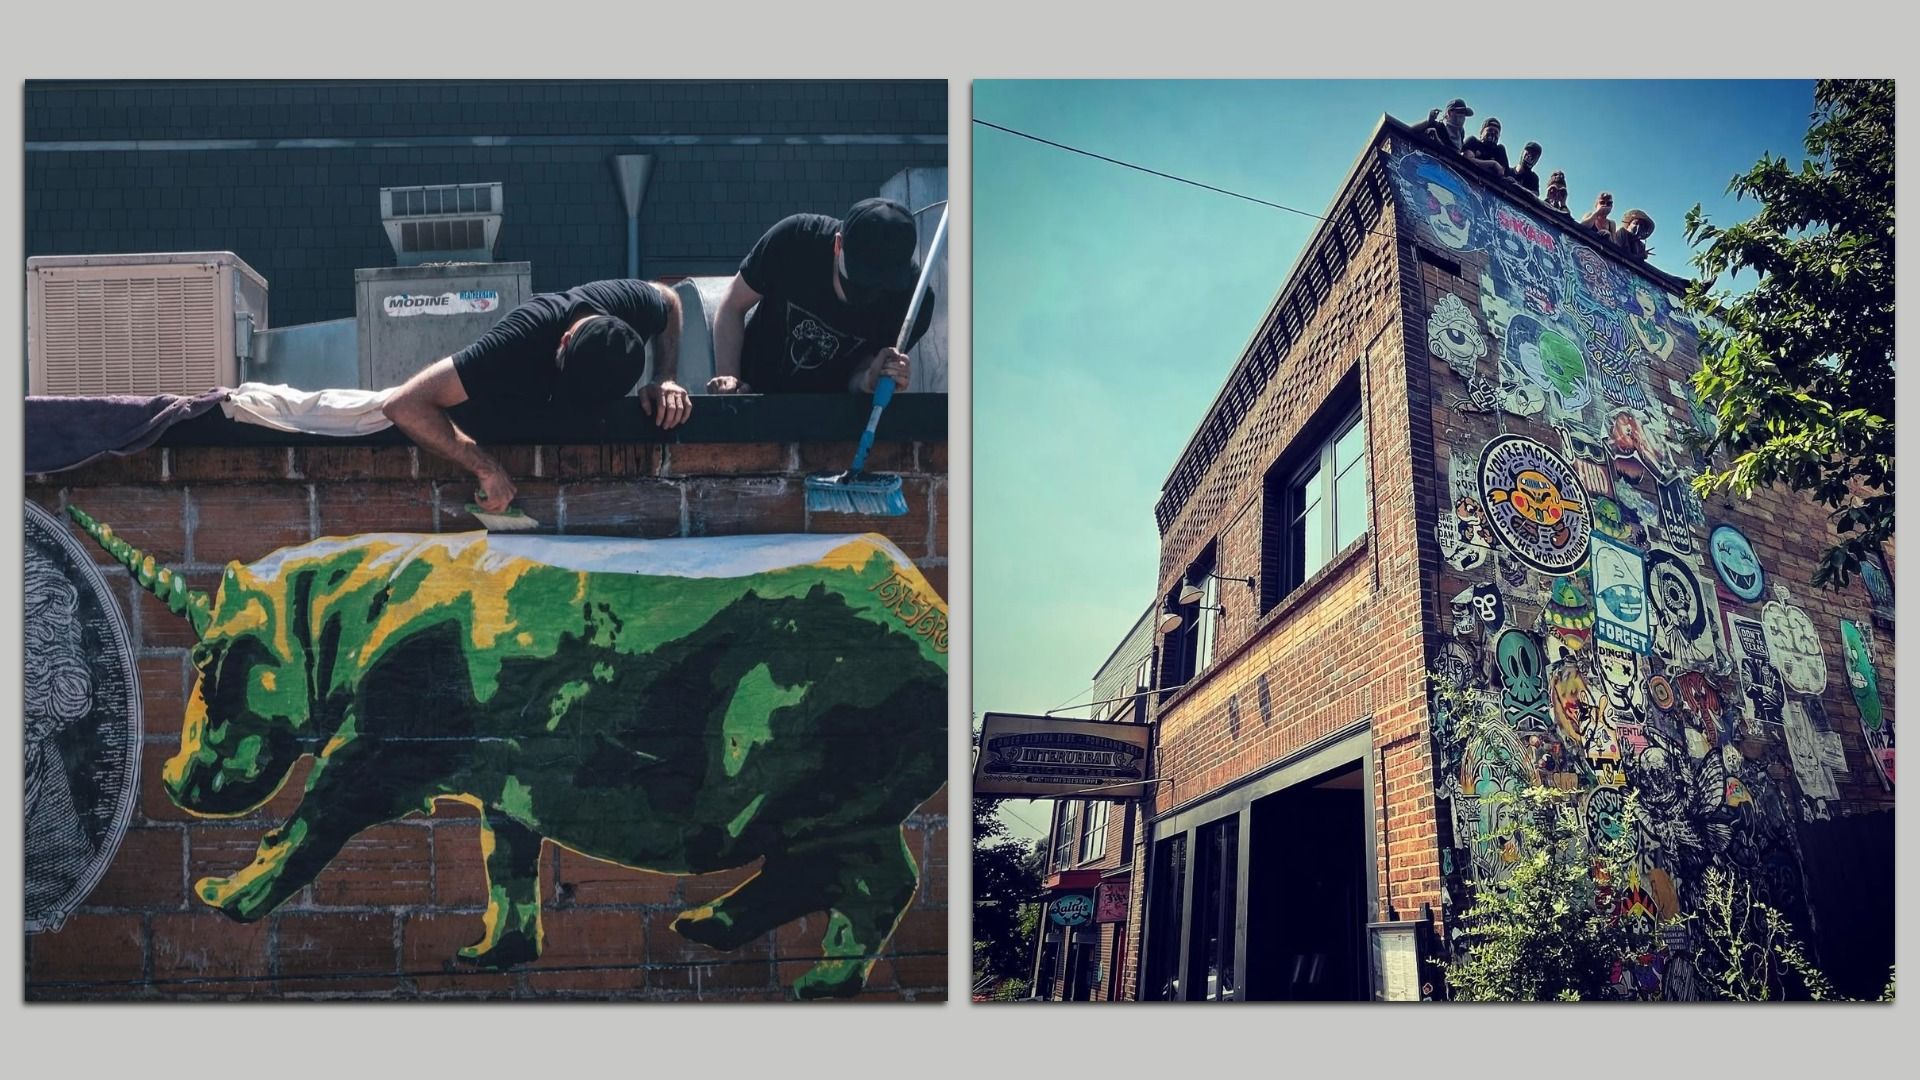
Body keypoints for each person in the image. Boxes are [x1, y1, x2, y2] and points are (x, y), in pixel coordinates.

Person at [382, 279, 686, 514]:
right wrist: (484, 467)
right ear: (564, 341)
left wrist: (665, 377)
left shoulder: (633, 303)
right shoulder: (518, 338)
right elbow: (404, 405)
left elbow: (670, 301)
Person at [709, 197, 933, 397]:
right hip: (756, 391)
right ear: (838, 244)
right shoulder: (795, 240)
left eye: (883, 284)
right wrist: (731, 383)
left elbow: (858, 377)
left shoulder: (914, 302)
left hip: (832, 417)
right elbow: (733, 304)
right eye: (860, 276)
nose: (869, 292)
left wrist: (871, 380)